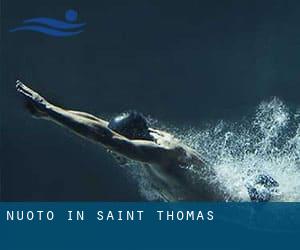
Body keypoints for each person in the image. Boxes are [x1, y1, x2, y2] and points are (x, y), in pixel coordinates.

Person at [15, 80, 277, 201]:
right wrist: (51, 113)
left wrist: (48, 109)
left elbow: (105, 137)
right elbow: (99, 126)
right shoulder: (146, 139)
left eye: (115, 146)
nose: (111, 151)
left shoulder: (161, 154)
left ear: (132, 140)